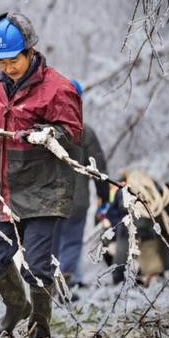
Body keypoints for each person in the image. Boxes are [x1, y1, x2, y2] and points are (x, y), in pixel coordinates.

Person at [0, 12, 82, 338]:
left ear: (30, 52)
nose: (7, 68)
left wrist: (46, 133)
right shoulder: (0, 88)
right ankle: (15, 307)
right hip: (3, 188)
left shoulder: (58, 89)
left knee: (35, 265)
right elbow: (0, 124)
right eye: (1, 63)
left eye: (13, 61)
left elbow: (72, 132)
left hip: (43, 189)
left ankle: (40, 326)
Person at [51, 80, 109, 286]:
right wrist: (105, 198)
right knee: (72, 241)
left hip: (50, 200)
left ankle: (50, 281)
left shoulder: (46, 131)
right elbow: (99, 168)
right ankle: (68, 277)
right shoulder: (85, 132)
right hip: (78, 200)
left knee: (51, 243)